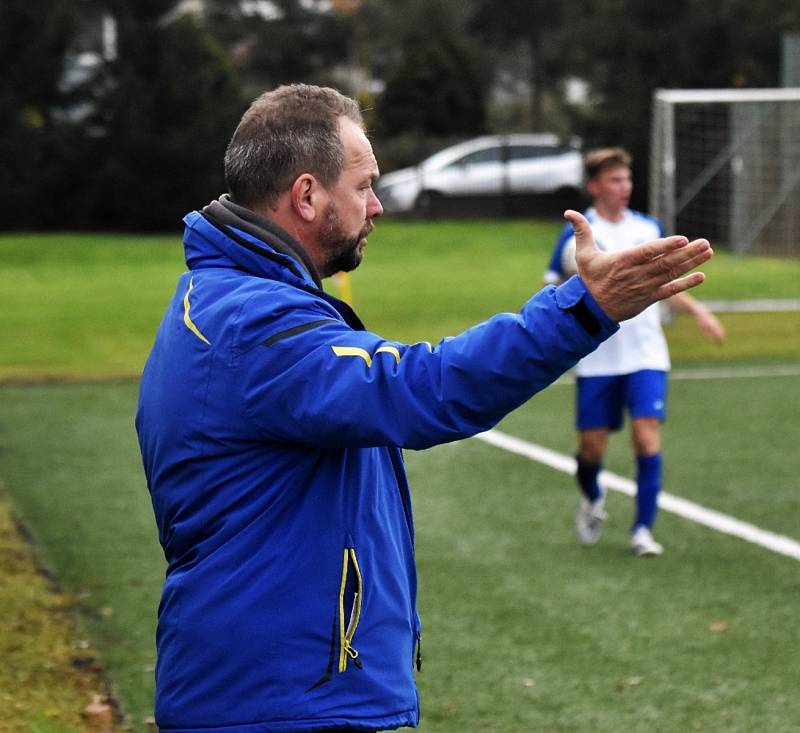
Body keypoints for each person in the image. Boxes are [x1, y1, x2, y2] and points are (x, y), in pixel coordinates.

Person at [135, 85, 714, 733]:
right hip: (284, 704)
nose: (378, 204)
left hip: (274, 693)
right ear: (306, 196)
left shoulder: (221, 300)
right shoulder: (251, 321)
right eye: (364, 185)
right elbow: (423, 388)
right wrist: (584, 311)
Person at [544, 147, 725, 557]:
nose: (624, 187)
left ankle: (642, 529)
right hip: (598, 357)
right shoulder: (577, 235)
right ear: (595, 186)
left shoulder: (647, 228)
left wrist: (699, 313)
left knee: (646, 439)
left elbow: (664, 285)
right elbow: (553, 291)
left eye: (627, 179)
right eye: (614, 180)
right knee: (591, 451)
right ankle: (592, 496)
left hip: (646, 354)